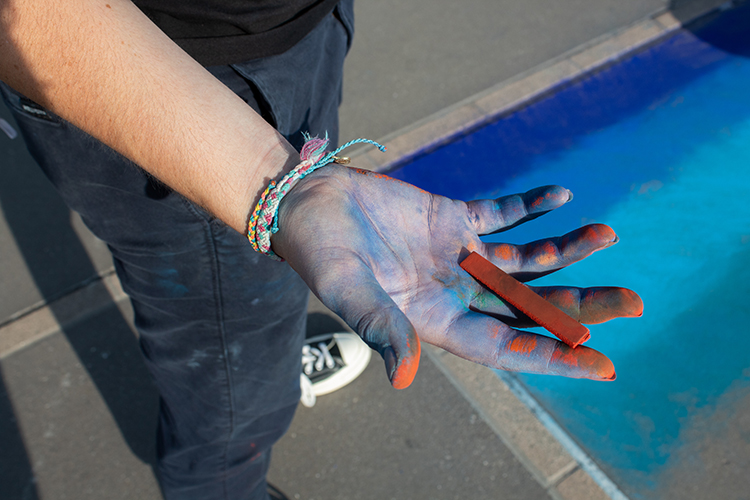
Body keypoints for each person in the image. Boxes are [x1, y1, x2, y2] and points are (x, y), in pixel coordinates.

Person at [0, 1, 643, 499]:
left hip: (290, 38)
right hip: (166, 82)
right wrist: (276, 186)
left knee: (260, 311)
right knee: (230, 366)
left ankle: (266, 363)